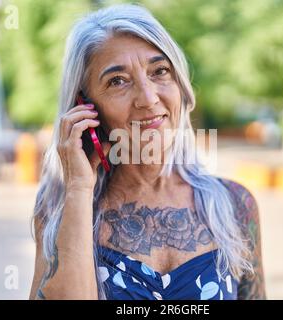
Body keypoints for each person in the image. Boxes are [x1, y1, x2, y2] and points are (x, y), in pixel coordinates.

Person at [29, 3, 266, 300]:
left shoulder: (235, 205)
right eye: (118, 81)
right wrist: (78, 188)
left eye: (159, 71)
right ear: (84, 107)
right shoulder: (57, 208)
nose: (148, 97)